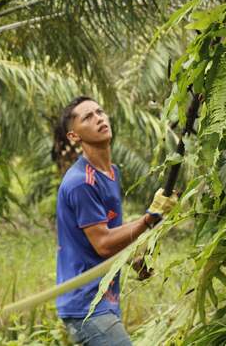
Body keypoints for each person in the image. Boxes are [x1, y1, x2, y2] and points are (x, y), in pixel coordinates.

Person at [54, 96, 177, 346]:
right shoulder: (81, 182)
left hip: (103, 300)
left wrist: (134, 260)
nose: (99, 118)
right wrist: (149, 218)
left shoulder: (111, 173)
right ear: (74, 136)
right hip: (86, 306)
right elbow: (103, 243)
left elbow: (109, 230)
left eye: (100, 112)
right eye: (87, 117)